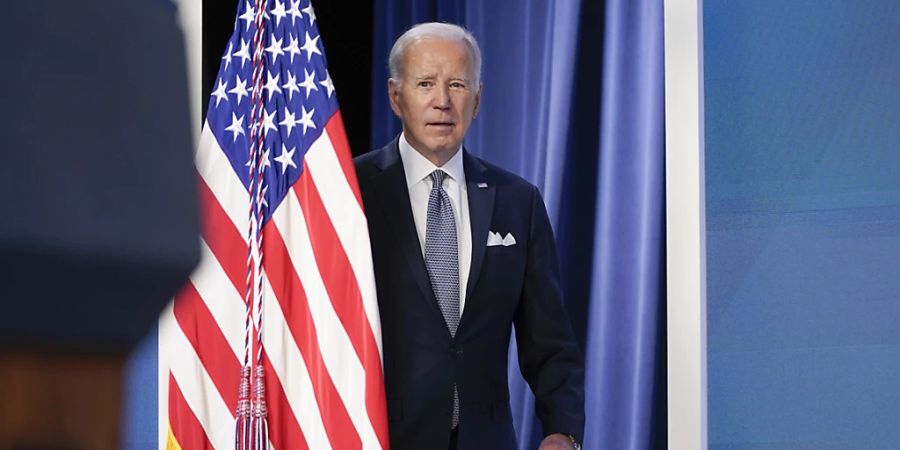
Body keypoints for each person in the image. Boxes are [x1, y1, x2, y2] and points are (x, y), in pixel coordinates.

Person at [354, 22, 584, 450]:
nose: (442, 101)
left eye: (457, 84)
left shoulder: (518, 201)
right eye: (425, 83)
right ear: (395, 96)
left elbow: (549, 340)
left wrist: (562, 430)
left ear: (476, 99)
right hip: (379, 439)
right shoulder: (351, 193)